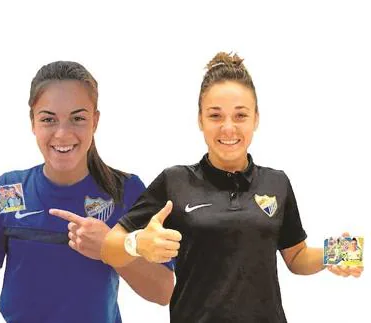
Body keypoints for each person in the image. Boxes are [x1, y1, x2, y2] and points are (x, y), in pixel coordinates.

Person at [100, 52, 363, 322]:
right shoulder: (174, 181)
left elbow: (296, 256)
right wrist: (136, 243)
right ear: (200, 120)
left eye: (240, 116)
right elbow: (109, 247)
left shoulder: (277, 183)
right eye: (215, 116)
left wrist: (337, 254)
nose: (228, 128)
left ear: (255, 119)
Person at [0, 61, 174, 322]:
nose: (63, 133)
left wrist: (113, 248)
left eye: (78, 118)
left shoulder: (126, 190)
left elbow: (163, 291)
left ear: (95, 121)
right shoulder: (9, 189)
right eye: (48, 119)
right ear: (33, 122)